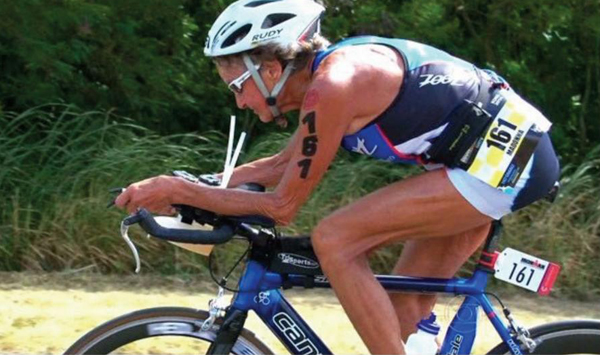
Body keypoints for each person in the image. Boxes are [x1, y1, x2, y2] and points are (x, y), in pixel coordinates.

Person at [115, 0, 560, 353]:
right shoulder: (324, 82)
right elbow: (277, 168)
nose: (239, 102)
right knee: (403, 308)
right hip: (484, 162)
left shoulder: (335, 84)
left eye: (238, 87)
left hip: (505, 165)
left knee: (336, 240)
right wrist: (195, 186)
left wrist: (179, 190)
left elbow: (283, 206)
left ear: (269, 69)